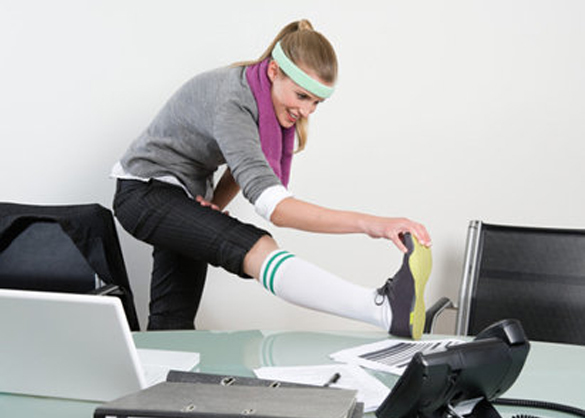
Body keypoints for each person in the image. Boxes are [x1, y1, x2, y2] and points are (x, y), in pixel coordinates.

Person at [112, 19, 433, 339]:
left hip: (179, 193)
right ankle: (380, 308)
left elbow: (244, 164)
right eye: (301, 96)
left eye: (316, 102)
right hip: (144, 193)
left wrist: (210, 206)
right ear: (273, 72)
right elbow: (276, 208)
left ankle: (161, 379)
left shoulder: (254, 94)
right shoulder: (234, 101)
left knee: (173, 324)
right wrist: (373, 225)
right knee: (253, 245)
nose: (307, 111)